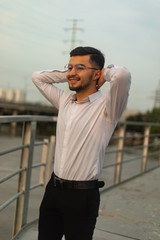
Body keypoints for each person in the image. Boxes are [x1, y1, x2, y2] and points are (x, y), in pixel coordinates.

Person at [32, 46, 131, 240]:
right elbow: (37, 77)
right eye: (69, 67)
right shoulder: (64, 101)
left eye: (79, 67)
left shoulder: (108, 108)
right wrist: (72, 74)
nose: (72, 73)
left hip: (82, 197)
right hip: (53, 190)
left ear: (97, 74)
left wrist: (104, 74)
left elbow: (122, 75)